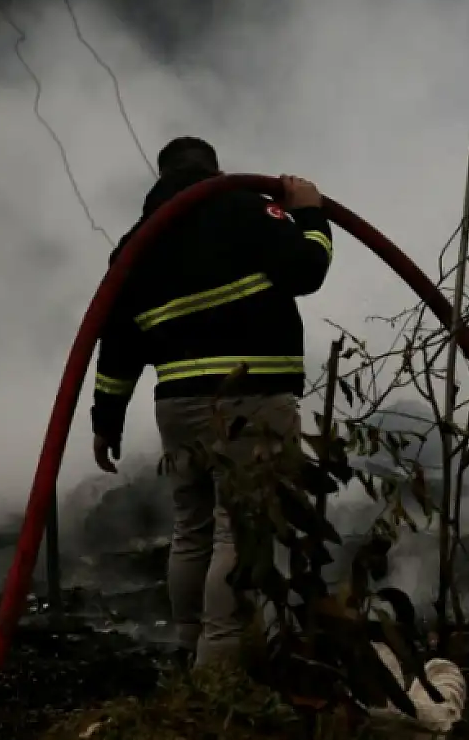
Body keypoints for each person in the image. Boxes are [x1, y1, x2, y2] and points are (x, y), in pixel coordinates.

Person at [88, 136, 333, 669]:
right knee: (240, 527)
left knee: (191, 526)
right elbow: (307, 269)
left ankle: (187, 643)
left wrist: (105, 422)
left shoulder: (135, 244)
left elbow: (118, 345)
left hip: (177, 406)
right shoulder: (244, 207)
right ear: (215, 170)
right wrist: (311, 215)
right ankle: (219, 664)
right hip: (251, 397)